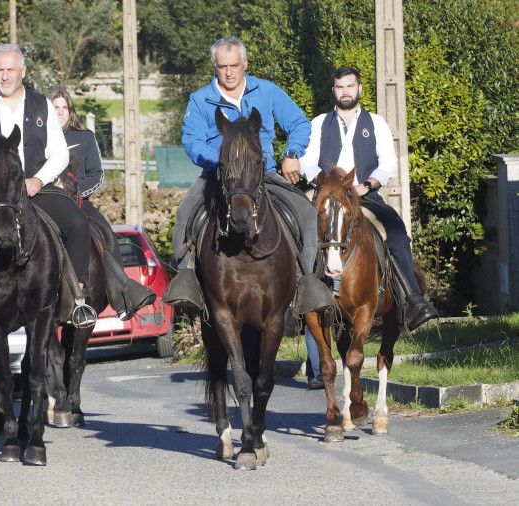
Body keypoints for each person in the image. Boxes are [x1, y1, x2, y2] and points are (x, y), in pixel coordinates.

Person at [165, 36, 333, 315]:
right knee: (184, 214)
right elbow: (192, 140)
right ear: (215, 67)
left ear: (245, 63)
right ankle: (186, 282)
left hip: (262, 174)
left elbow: (299, 123)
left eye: (233, 65)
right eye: (222, 66)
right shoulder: (199, 100)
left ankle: (307, 282)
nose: (228, 72)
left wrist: (292, 154)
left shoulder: (266, 91)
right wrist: (219, 162)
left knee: (306, 212)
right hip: (219, 175)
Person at [0, 44, 95, 342]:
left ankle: (77, 301)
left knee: (78, 224)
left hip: (35, 189)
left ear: (22, 71)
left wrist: (38, 179)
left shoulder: (42, 106)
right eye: (0, 70)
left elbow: (60, 154)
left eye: (11, 69)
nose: (5, 76)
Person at [299, 66, 438, 385]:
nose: (345, 91)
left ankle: (413, 301)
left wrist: (368, 184)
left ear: (359, 89)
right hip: (327, 196)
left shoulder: (375, 123)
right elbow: (308, 160)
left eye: (350, 86)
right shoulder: (319, 123)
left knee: (398, 235)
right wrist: (321, 185)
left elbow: (388, 162)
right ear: (332, 90)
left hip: (363, 194)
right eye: (339, 86)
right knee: (300, 244)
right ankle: (294, 307)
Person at [47, 86, 155, 320]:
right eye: (55, 108)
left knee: (107, 235)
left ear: (71, 110)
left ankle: (122, 295)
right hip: (47, 201)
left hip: (78, 201)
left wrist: (77, 193)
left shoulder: (85, 137)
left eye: (65, 108)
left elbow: (97, 174)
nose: (60, 112)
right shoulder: (38, 139)